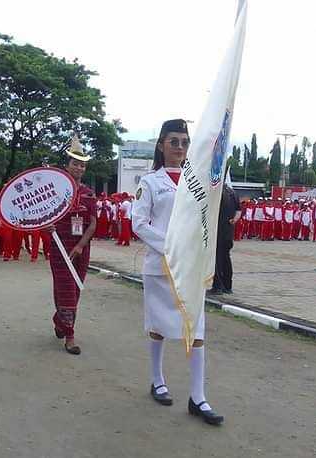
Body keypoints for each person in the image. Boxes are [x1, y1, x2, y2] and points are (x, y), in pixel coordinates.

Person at [132, 119, 223, 426]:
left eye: (185, 142)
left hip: (191, 269)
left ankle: (198, 397)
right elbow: (140, 223)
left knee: (196, 331)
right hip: (161, 267)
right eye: (174, 142)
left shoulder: (196, 181)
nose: (180, 147)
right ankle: (157, 379)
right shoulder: (150, 183)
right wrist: (170, 247)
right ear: (161, 145)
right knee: (158, 326)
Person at [47, 135, 97, 355]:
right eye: (75, 163)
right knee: (64, 289)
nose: (79, 167)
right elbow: (43, 215)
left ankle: (60, 320)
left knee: (75, 290)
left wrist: (80, 246)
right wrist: (46, 227)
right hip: (59, 247)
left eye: (83, 165)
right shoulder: (55, 190)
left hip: (81, 248)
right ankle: (70, 335)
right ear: (67, 165)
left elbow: (93, 223)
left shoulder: (88, 193)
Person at [211, 184, 241, 294]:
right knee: (226, 258)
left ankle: (218, 286)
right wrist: (234, 220)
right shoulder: (232, 192)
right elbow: (238, 211)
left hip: (218, 229)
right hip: (228, 230)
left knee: (217, 259)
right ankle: (228, 286)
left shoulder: (216, 191)